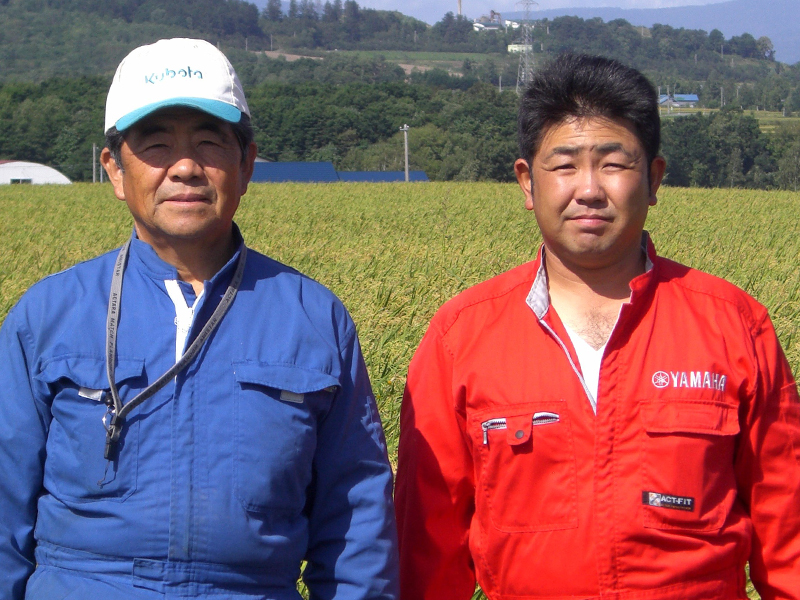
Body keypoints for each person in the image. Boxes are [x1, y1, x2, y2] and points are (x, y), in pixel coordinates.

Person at [0, 38, 398, 600]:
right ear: (114, 169)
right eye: (156, 145)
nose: (185, 167)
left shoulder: (313, 319)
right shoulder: (47, 316)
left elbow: (356, 524)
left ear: (247, 163)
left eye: (210, 143)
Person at [395, 53, 800, 600]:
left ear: (654, 178)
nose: (588, 189)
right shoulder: (461, 337)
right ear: (526, 182)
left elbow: (787, 533)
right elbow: (428, 548)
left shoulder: (733, 325)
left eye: (613, 163)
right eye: (564, 165)